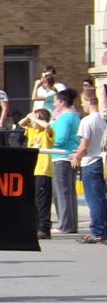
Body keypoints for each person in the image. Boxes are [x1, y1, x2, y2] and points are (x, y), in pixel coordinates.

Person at [70, 89, 106, 243]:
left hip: (90, 162)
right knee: (102, 199)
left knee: (94, 200)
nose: (82, 105)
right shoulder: (104, 119)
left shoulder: (87, 121)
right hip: (102, 161)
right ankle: (103, 230)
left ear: (90, 101)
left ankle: (97, 232)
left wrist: (77, 157)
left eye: (83, 101)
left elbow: (84, 146)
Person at [19, 110, 55, 239]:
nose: (32, 122)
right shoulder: (32, 130)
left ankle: (44, 228)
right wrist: (29, 116)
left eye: (35, 120)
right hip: (32, 169)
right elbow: (21, 123)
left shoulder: (46, 133)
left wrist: (36, 119)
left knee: (42, 201)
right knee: (33, 200)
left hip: (43, 170)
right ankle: (36, 226)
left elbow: (47, 126)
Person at [49, 88, 81, 234]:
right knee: (69, 193)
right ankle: (71, 224)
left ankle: (65, 225)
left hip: (61, 157)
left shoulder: (63, 118)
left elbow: (60, 139)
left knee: (62, 193)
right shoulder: (74, 116)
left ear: (62, 102)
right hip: (70, 156)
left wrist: (47, 143)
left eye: (55, 101)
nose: (54, 104)